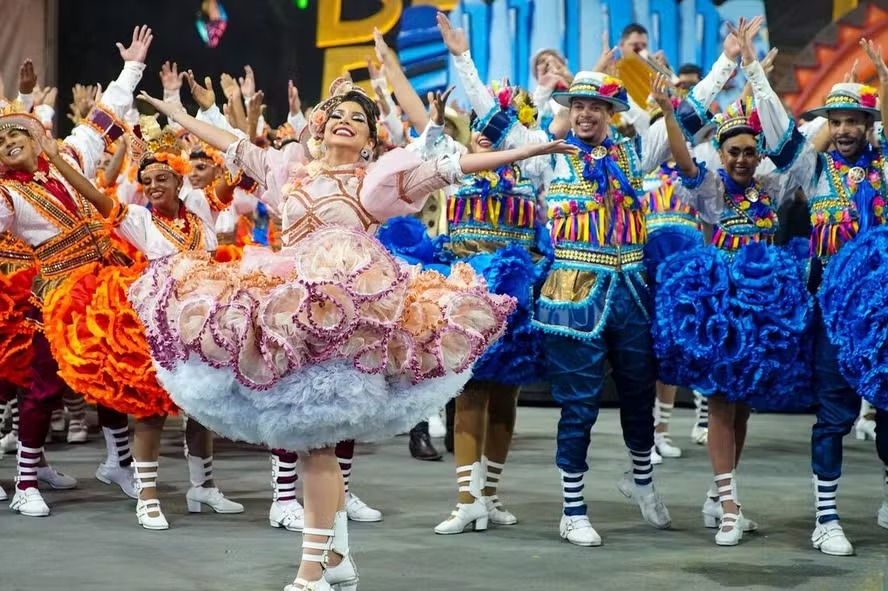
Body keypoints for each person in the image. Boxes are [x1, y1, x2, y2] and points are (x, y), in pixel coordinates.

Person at [138, 76, 572, 590]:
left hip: (349, 320)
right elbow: (227, 141)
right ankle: (338, 558)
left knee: (319, 442)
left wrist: (533, 148)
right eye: (339, 113)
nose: (348, 120)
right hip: (288, 313)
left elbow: (451, 167)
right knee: (309, 446)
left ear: (369, 138)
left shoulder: (375, 182)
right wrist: (176, 111)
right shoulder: (289, 174)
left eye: (361, 118)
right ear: (321, 126)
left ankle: (311, 573)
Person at [36, 112, 245, 530]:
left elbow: (238, 168)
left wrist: (213, 114)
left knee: (201, 409)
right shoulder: (140, 220)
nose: (152, 187)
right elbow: (95, 196)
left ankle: (201, 487)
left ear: (180, 180)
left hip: (206, 323)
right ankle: (147, 496)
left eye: (162, 179)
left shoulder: (203, 206)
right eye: (147, 181)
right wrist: (57, 162)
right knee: (151, 409)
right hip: (162, 325)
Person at [652, 18, 816, 546]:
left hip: (763, 308)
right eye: (734, 152)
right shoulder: (711, 192)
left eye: (750, 150)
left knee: (741, 406)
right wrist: (668, 114)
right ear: (720, 156)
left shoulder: (773, 181)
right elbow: (679, 157)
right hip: (721, 310)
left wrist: (754, 72)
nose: (743, 159)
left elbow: (792, 140)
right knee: (723, 402)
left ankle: (718, 495)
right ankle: (728, 509)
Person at [0, 28, 154, 516]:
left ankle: (120, 463)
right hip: (55, 296)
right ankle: (26, 482)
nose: (7, 142)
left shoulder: (68, 156)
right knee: (44, 385)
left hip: (103, 289)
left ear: (37, 136)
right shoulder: (7, 195)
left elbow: (104, 116)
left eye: (15, 134)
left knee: (110, 376)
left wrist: (132, 66)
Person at [794, 38, 888, 556]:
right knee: (832, 416)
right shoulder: (810, 170)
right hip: (831, 311)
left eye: (856, 119)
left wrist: (885, 82)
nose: (846, 128)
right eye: (837, 119)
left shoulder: (883, 169)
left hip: (882, 314)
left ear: (870, 126)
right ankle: (825, 519)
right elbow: (789, 151)